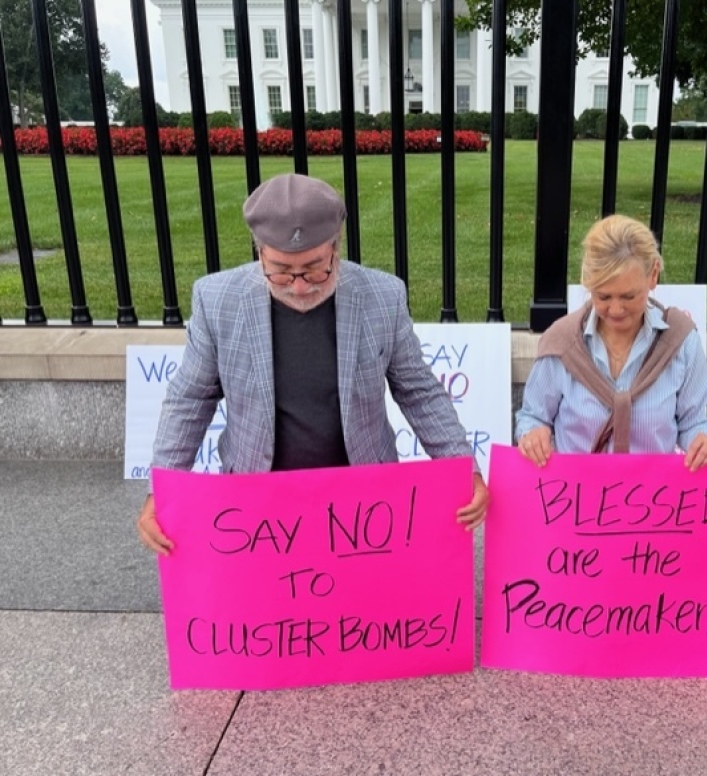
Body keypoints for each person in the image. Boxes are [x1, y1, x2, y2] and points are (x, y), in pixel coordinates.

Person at [138, 173, 488, 554]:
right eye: (282, 270)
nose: (300, 285)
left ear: (336, 247)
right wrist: (163, 490)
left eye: (315, 268)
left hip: (362, 494)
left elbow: (418, 390)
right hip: (258, 498)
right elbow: (191, 399)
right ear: (260, 253)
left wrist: (461, 467)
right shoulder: (217, 298)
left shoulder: (383, 296)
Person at [516, 214, 707, 471]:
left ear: (653, 276)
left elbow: (693, 422)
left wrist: (704, 443)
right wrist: (533, 433)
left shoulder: (681, 341)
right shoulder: (562, 343)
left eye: (629, 296)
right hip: (576, 497)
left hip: (654, 497)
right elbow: (533, 416)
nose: (616, 310)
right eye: (603, 296)